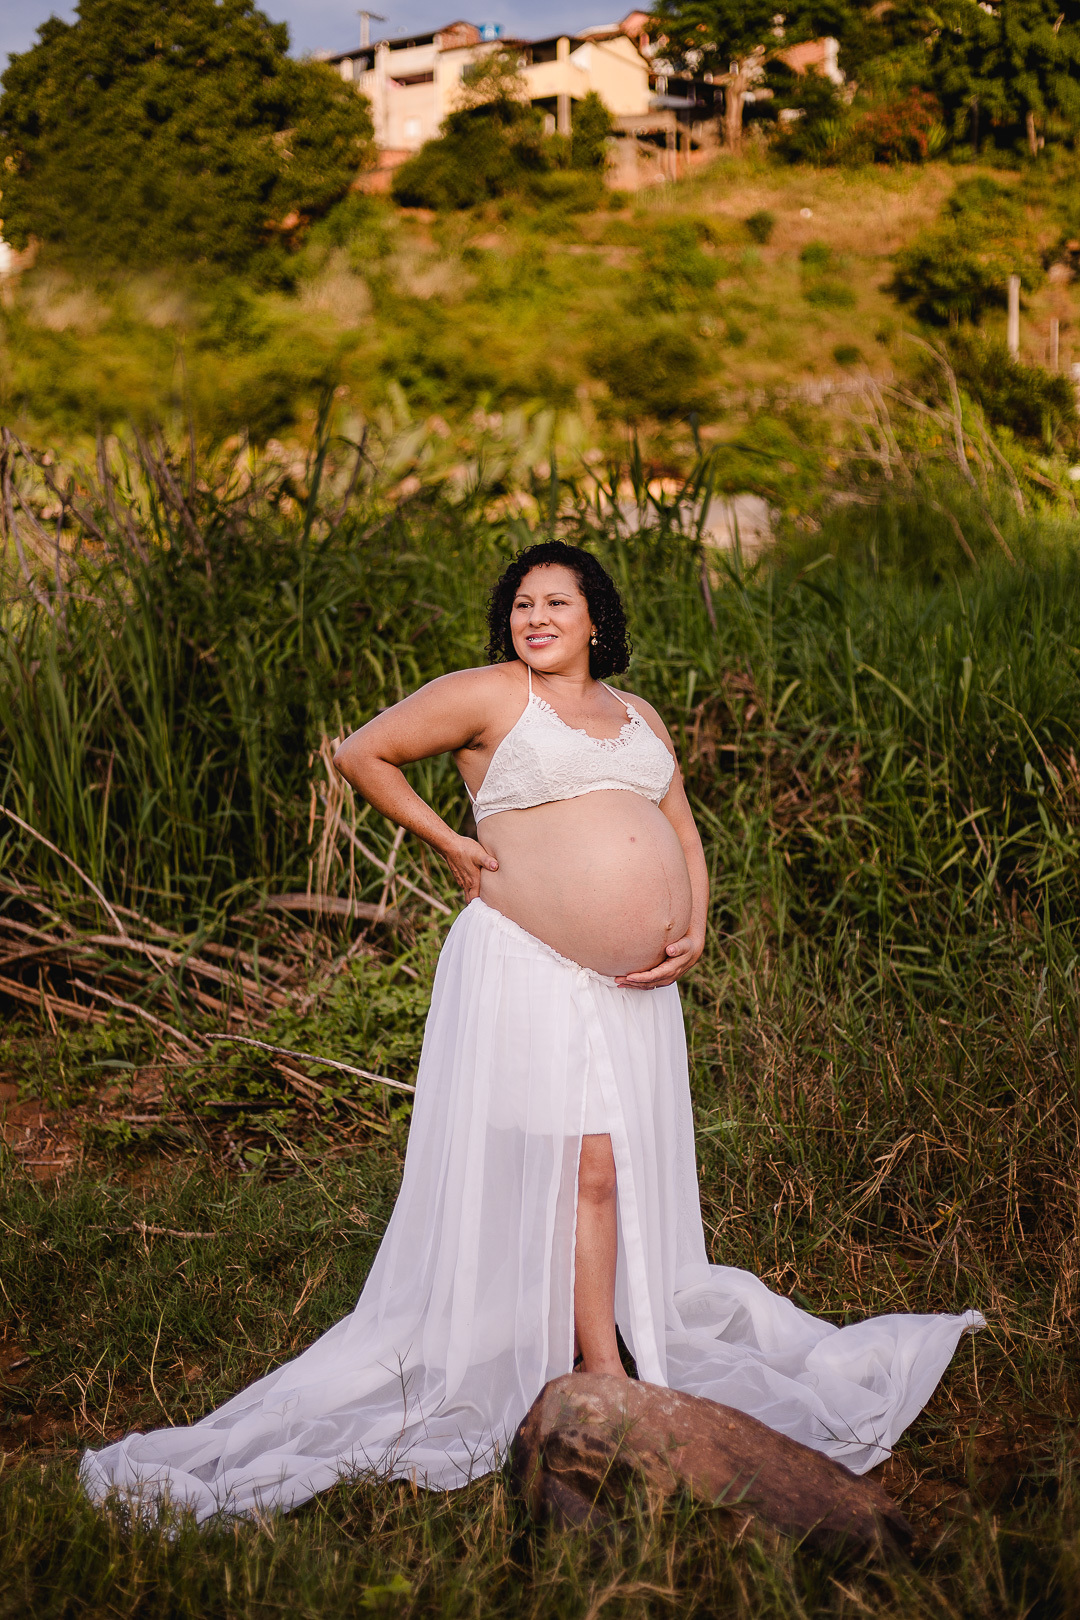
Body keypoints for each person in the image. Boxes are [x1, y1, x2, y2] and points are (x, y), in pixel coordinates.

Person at [81, 541, 982, 1523]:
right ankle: (596, 1368)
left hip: (633, 989)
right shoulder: (489, 696)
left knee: (611, 1169)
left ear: (597, 619)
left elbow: (679, 829)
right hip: (531, 967)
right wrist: (452, 841)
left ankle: (597, 1350)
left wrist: (695, 923)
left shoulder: (639, 716)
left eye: (557, 601)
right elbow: (360, 752)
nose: (535, 616)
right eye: (521, 603)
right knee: (584, 1165)